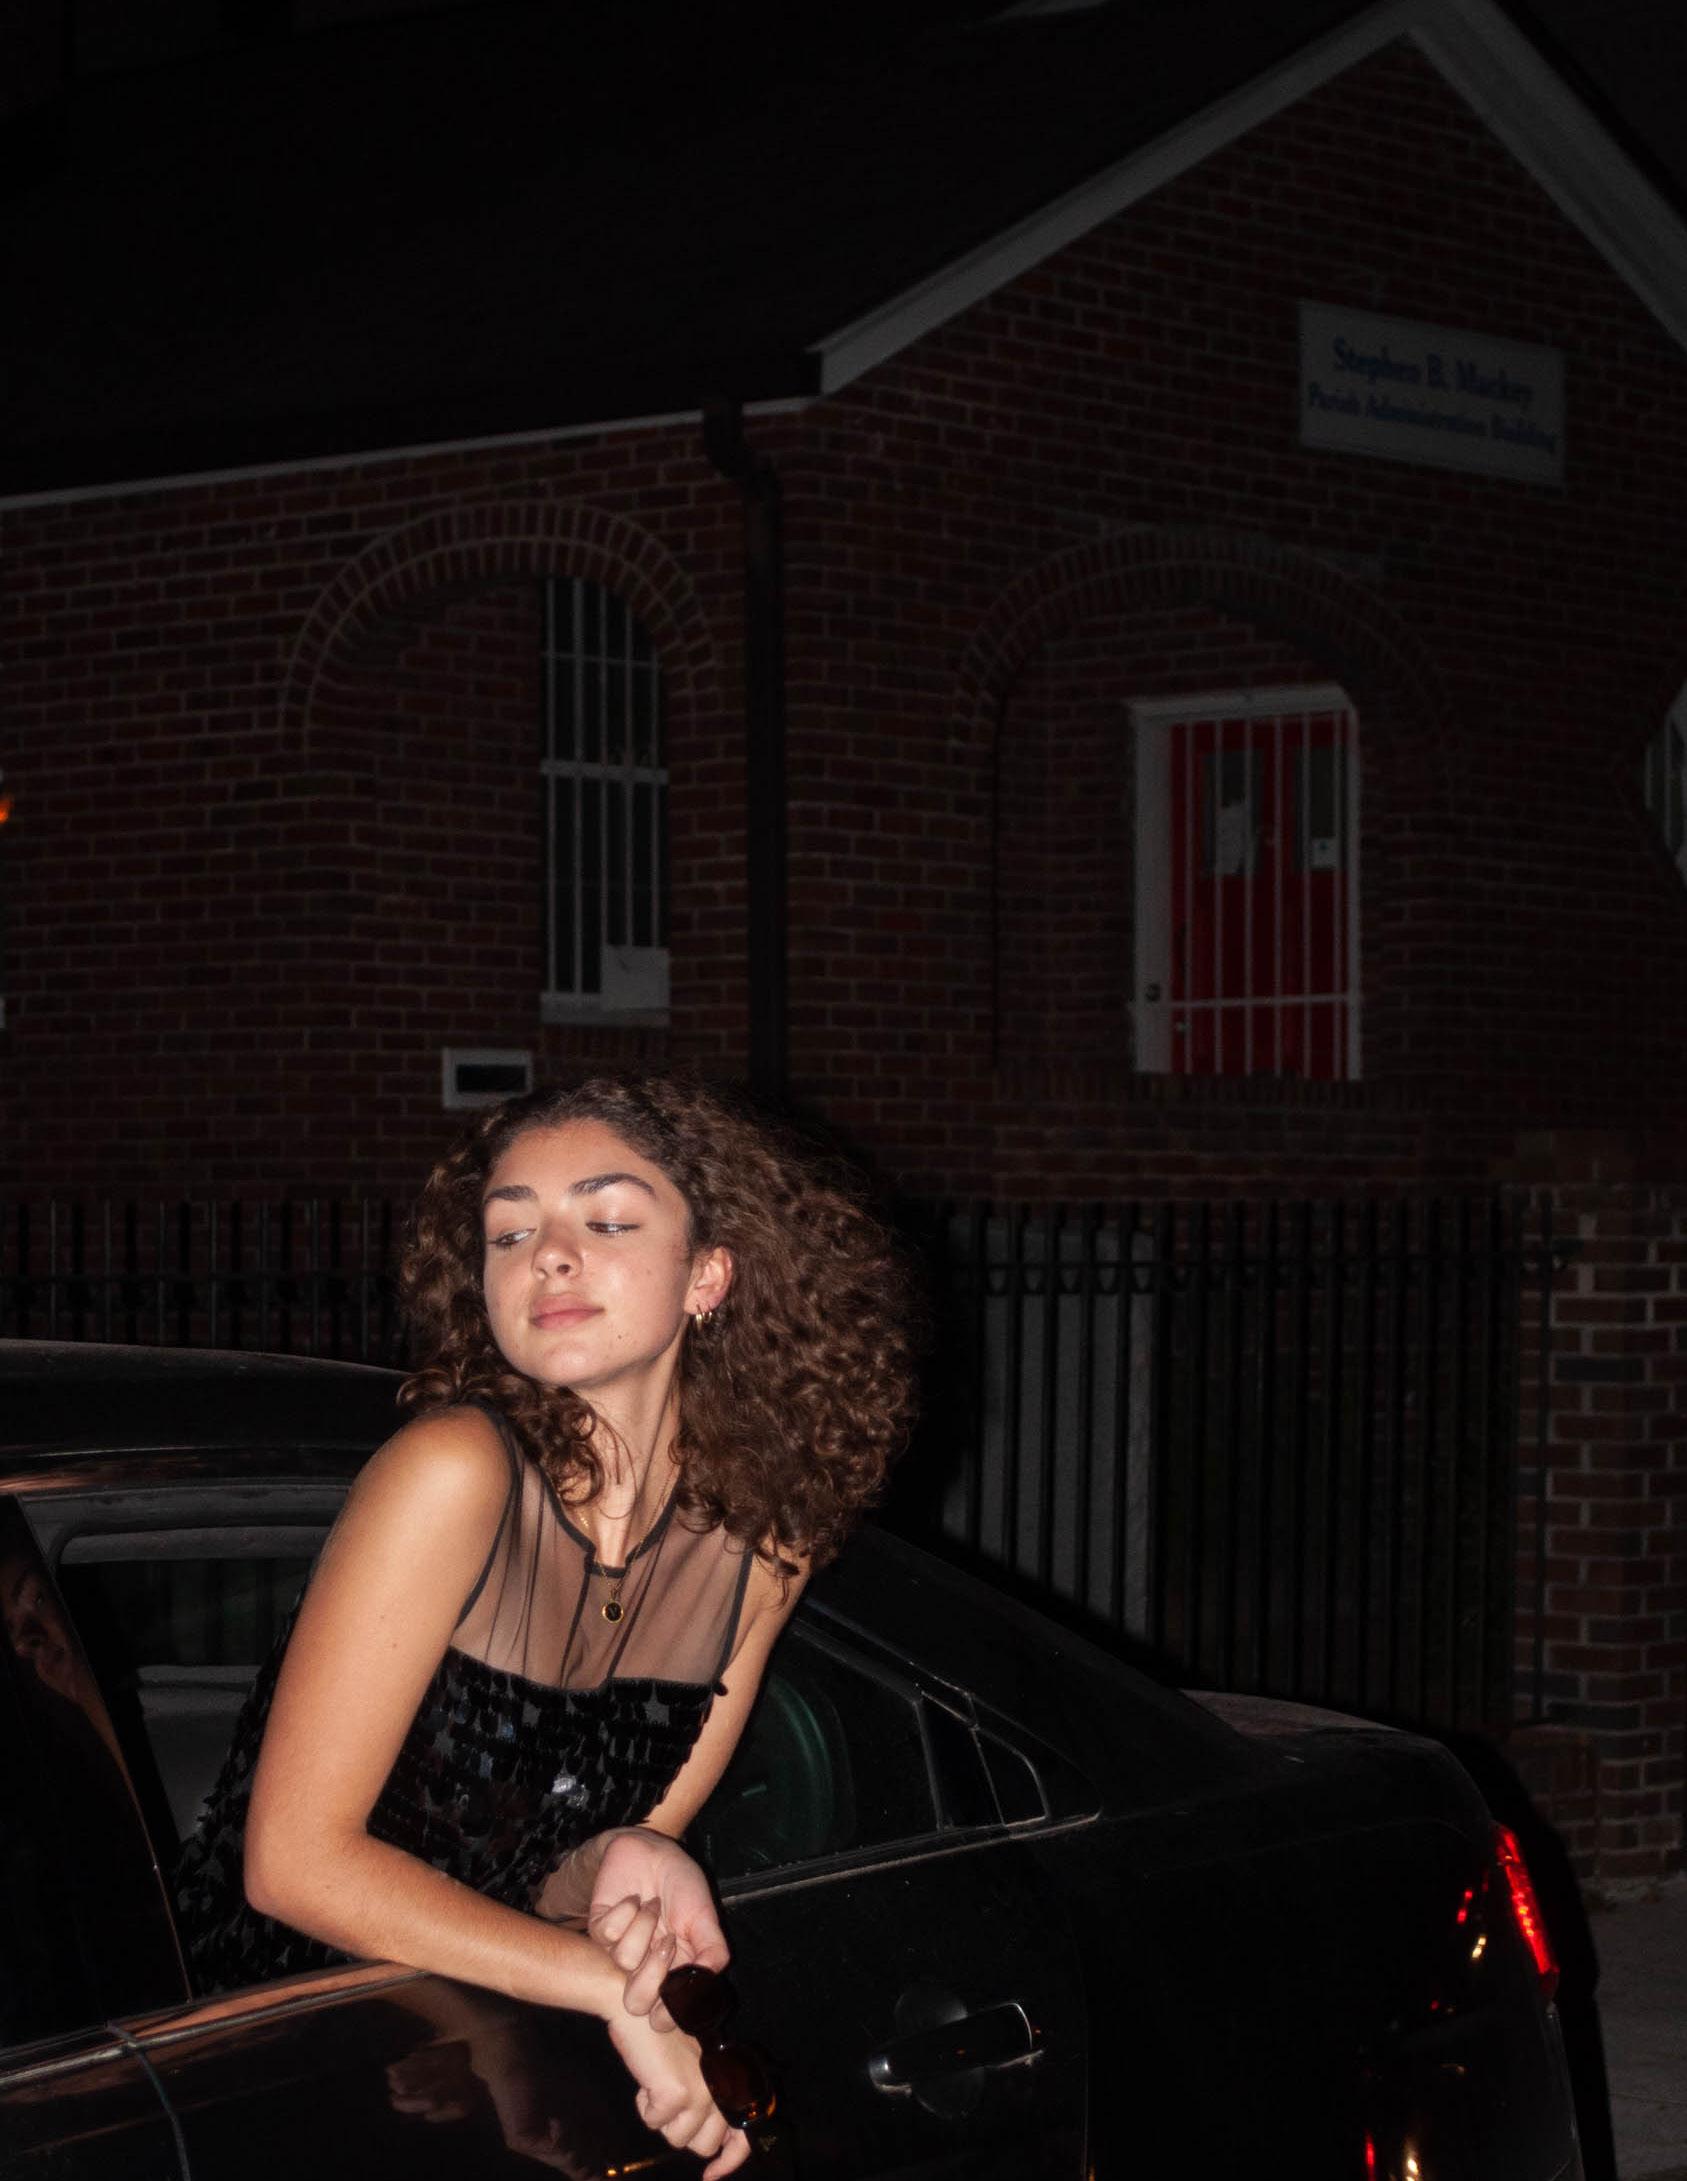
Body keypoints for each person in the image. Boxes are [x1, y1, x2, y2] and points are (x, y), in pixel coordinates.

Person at [174, 1072, 916, 2177]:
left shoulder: (767, 1537)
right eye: (510, 1232)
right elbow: (293, 1865)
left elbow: (547, 1881)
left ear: (708, 1275)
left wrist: (631, 1851)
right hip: (261, 2049)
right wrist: (615, 1994)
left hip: (478, 2040)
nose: (549, 1257)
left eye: (606, 1221)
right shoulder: (453, 1470)